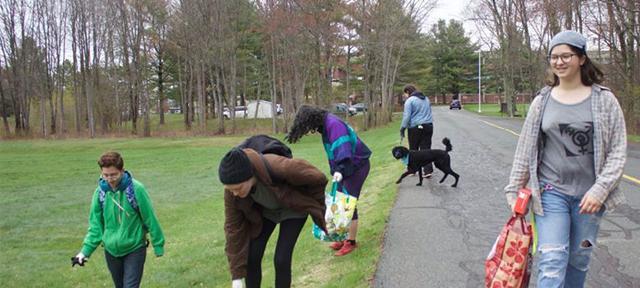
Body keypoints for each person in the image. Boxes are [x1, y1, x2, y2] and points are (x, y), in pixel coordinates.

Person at [504, 30, 627, 288]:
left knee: (579, 258)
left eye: (566, 56)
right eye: (554, 57)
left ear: (581, 58)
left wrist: (601, 190)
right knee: (551, 259)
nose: (559, 62)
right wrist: (514, 189)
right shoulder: (542, 101)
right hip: (551, 193)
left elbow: (617, 151)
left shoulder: (605, 100)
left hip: (590, 199)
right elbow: (525, 149)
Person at [220, 147, 328, 288]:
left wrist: (319, 207)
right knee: (252, 255)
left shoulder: (280, 167)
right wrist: (237, 278)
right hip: (267, 211)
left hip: (293, 208)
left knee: (281, 258)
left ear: (249, 176)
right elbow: (233, 229)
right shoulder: (233, 192)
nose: (234, 193)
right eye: (230, 189)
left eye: (238, 188)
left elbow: (318, 177)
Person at [286, 105, 372, 256]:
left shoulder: (333, 125)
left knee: (347, 204)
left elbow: (343, 148)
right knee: (338, 203)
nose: (308, 130)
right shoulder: (325, 125)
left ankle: (350, 242)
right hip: (346, 168)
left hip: (356, 166)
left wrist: (339, 170)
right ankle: (341, 237)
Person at [73, 151, 165, 288]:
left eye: (113, 174)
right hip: (111, 251)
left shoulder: (136, 189)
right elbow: (95, 227)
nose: (110, 179)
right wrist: (84, 252)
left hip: (134, 248)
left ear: (122, 170)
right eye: (105, 175)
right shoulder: (100, 193)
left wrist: (158, 245)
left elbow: (150, 218)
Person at [400, 84, 434, 177]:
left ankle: (412, 169)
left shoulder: (410, 101)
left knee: (413, 149)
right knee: (426, 148)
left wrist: (403, 128)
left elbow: (407, 116)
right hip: (428, 126)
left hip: (415, 127)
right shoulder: (426, 99)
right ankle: (428, 170)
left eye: (405, 94)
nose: (405, 96)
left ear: (407, 92)